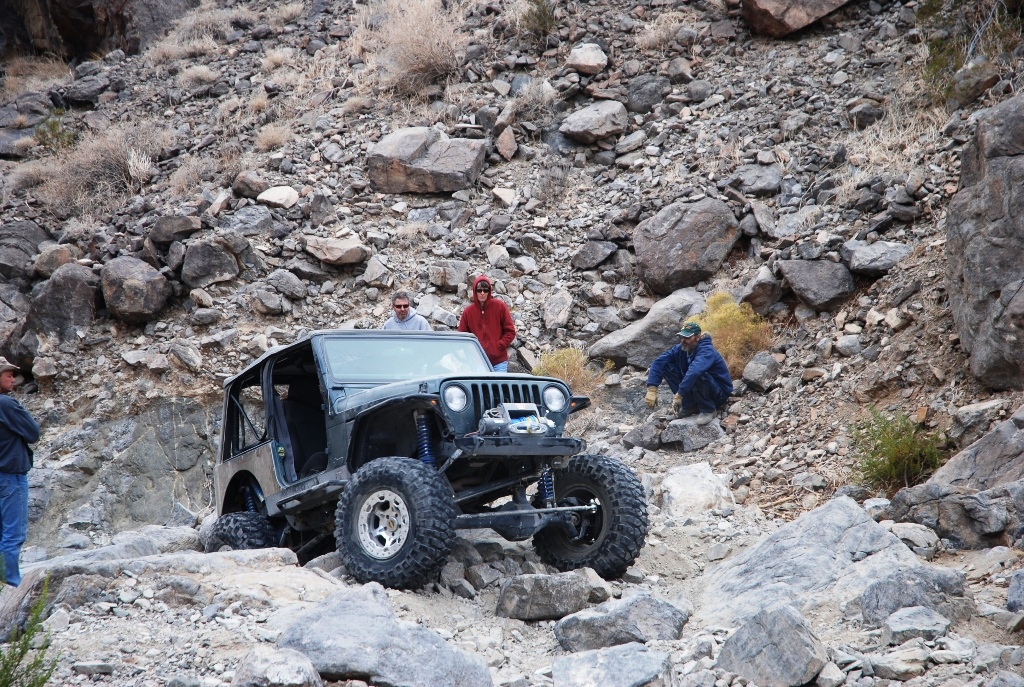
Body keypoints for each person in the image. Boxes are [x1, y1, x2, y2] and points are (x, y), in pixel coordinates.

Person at [644, 322, 733, 425]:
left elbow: (694, 372)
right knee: (666, 365)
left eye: (687, 337)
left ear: (698, 337)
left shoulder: (706, 350)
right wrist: (652, 388)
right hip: (700, 389)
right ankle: (689, 405)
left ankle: (708, 409)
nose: (683, 340)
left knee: (697, 373)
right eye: (681, 337)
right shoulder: (682, 349)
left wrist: (679, 395)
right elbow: (658, 362)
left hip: (718, 394)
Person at [0, 357, 39, 587]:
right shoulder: (6, 404)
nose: (13, 379)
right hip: (10, 477)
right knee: (12, 534)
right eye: (8, 375)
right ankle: (10, 587)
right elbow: (33, 433)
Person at [458, 275, 516, 372]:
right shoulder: (468, 312)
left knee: (499, 383)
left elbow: (510, 331)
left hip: (499, 361)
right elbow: (462, 336)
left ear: (489, 291)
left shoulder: (500, 307)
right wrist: (472, 350)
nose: (482, 293)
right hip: (478, 362)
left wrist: (499, 345)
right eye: (479, 290)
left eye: (485, 290)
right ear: (475, 291)